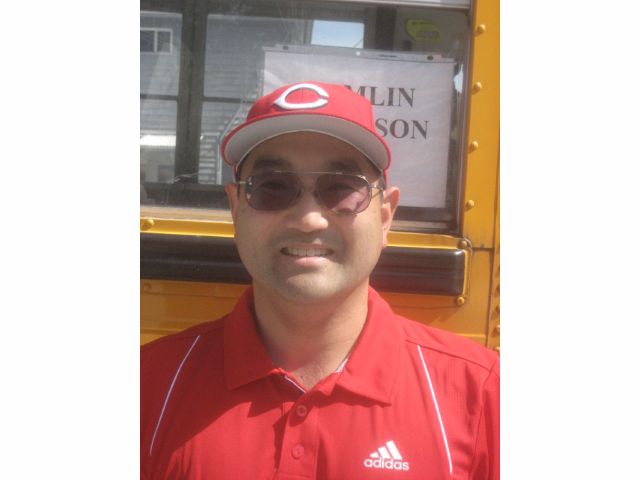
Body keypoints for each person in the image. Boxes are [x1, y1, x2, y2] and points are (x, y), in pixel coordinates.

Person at [140, 81, 499, 479]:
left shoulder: (483, 396)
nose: (309, 219)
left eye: (341, 189)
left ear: (385, 217)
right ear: (236, 208)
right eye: (273, 187)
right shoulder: (149, 386)